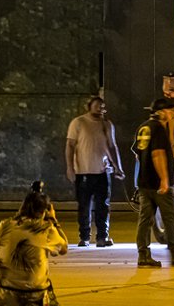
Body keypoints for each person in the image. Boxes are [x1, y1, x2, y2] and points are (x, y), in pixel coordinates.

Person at [133, 97, 174, 268]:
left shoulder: (143, 128)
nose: (171, 113)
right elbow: (158, 154)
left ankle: (143, 256)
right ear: (160, 112)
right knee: (170, 219)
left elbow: (138, 154)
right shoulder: (159, 128)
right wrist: (164, 180)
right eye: (169, 110)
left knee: (145, 220)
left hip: (144, 183)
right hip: (158, 185)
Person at [0, 186, 68, 306]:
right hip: (32, 293)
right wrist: (54, 220)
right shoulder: (45, 229)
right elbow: (63, 248)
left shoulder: (4, 225)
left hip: (2, 289)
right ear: (44, 211)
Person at [65, 95, 125, 247]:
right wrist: (70, 167)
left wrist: (117, 167)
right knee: (84, 206)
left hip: (103, 171)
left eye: (102, 106)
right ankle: (84, 236)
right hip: (83, 171)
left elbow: (112, 147)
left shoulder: (107, 124)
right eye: (97, 105)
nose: (100, 108)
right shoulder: (79, 123)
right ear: (89, 106)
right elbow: (70, 145)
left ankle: (102, 237)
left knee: (103, 205)